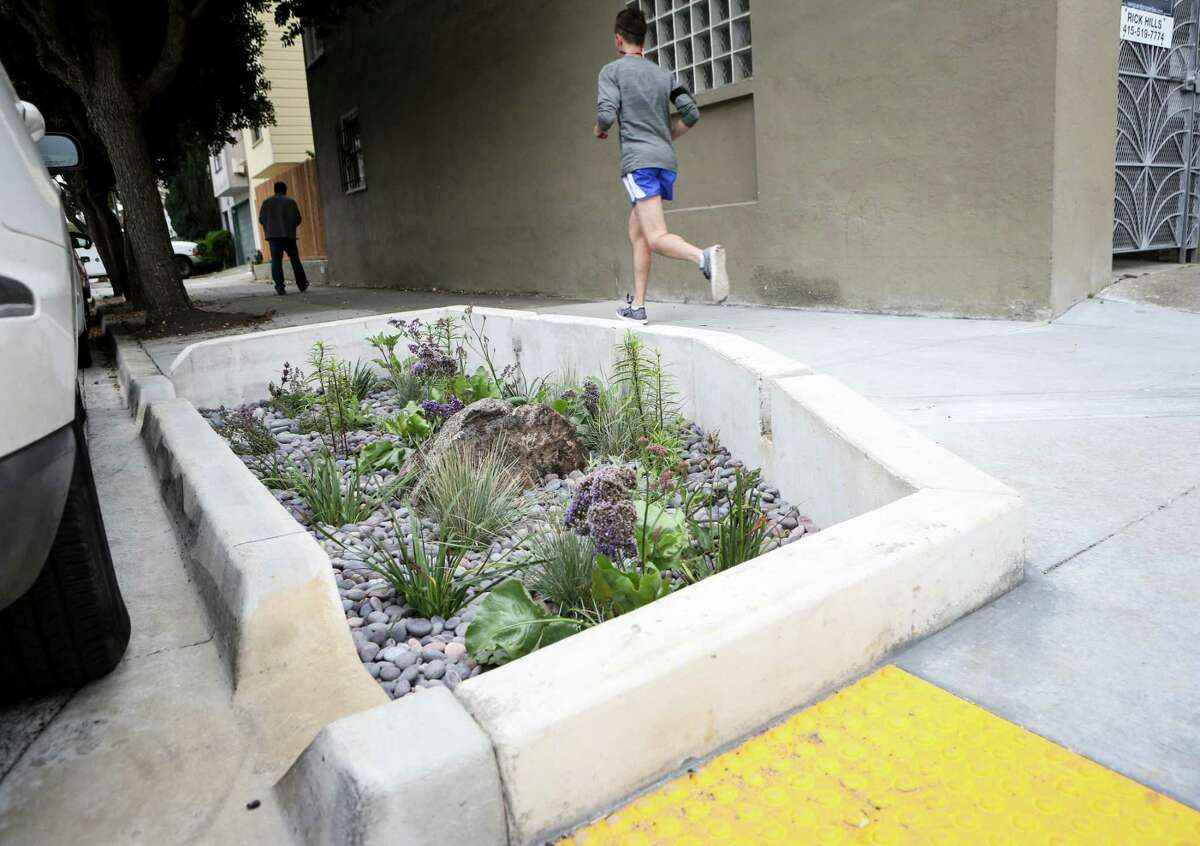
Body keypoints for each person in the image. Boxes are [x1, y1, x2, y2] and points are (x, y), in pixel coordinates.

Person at [595, 6, 728, 324]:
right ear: (643, 39)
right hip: (664, 162)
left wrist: (600, 129)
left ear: (618, 39)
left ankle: (703, 257)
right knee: (637, 231)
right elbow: (692, 113)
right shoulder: (662, 74)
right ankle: (637, 306)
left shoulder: (612, 72)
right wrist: (665, 137)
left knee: (655, 235)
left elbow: (605, 114)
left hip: (639, 164)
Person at [258, 181, 309, 295]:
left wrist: (270, 227)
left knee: (276, 261)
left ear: (275, 190)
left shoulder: (267, 202)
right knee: (295, 259)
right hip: (289, 236)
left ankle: (280, 287)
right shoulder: (290, 202)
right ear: (285, 190)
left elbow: (261, 219)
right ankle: (302, 284)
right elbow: (298, 219)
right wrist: (289, 226)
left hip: (273, 237)